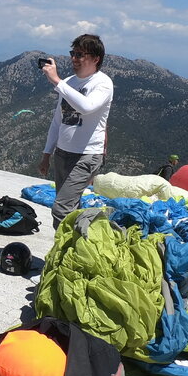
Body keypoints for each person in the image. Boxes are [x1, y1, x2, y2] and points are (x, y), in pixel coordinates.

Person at [38, 34, 114, 229]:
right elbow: (57, 122)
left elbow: (87, 106)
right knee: (72, 208)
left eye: (80, 55)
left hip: (86, 155)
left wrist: (56, 81)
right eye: (73, 53)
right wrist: (47, 154)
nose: (74, 59)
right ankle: (77, 250)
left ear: (95, 59)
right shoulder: (70, 82)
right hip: (63, 154)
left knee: (61, 209)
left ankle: (64, 253)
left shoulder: (102, 83)